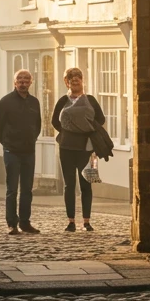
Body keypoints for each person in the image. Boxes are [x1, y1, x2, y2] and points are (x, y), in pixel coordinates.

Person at [52, 67, 105, 232]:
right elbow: (54, 121)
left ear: (82, 81)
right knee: (69, 184)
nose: (75, 82)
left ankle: (87, 221)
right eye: (71, 79)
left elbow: (100, 119)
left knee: (86, 184)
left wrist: (86, 129)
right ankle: (71, 221)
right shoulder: (63, 100)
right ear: (66, 82)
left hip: (88, 148)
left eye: (78, 79)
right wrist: (69, 131)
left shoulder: (91, 100)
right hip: (66, 147)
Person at [0, 68, 42, 235]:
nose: (23, 83)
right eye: (20, 80)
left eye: (26, 80)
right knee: (12, 189)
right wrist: (7, 143)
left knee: (27, 189)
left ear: (31, 82)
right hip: (12, 150)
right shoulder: (6, 101)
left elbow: (37, 124)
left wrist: (31, 139)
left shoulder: (34, 102)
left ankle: (25, 223)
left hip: (28, 151)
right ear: (15, 83)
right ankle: (12, 223)